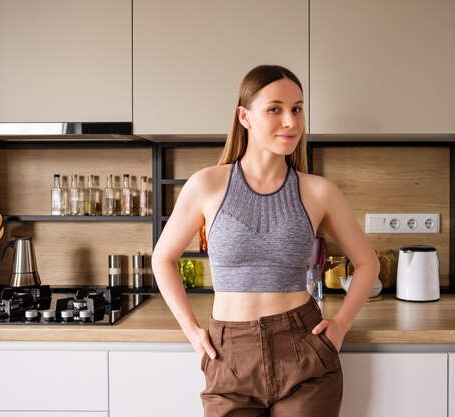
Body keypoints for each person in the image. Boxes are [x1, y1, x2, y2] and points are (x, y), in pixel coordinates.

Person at [151, 64, 380, 417]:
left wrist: (341, 324)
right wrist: (193, 333)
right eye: (275, 109)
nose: (290, 121)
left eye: (297, 109)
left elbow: (368, 263)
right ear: (245, 117)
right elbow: (162, 258)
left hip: (304, 350)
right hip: (229, 356)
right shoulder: (206, 185)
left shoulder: (319, 191)